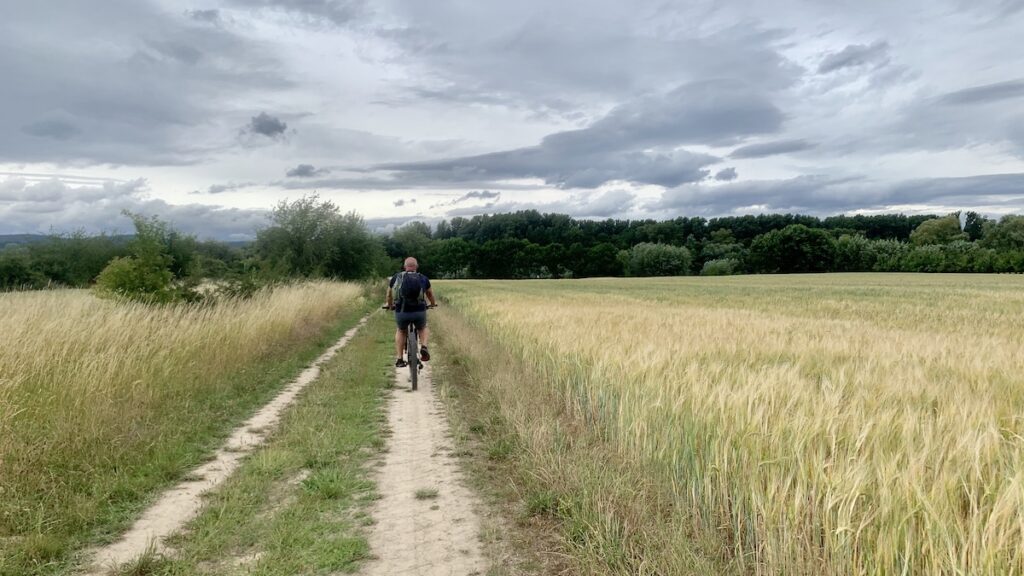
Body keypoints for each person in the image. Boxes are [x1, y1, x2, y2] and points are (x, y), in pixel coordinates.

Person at [387, 257, 437, 368]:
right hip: (419, 311)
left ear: (405, 266)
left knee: (401, 330)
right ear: (416, 267)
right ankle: (424, 346)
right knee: (422, 327)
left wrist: (390, 306)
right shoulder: (423, 278)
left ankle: (400, 359)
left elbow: (389, 295)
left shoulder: (396, 277)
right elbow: (430, 294)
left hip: (402, 311)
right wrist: (432, 304)